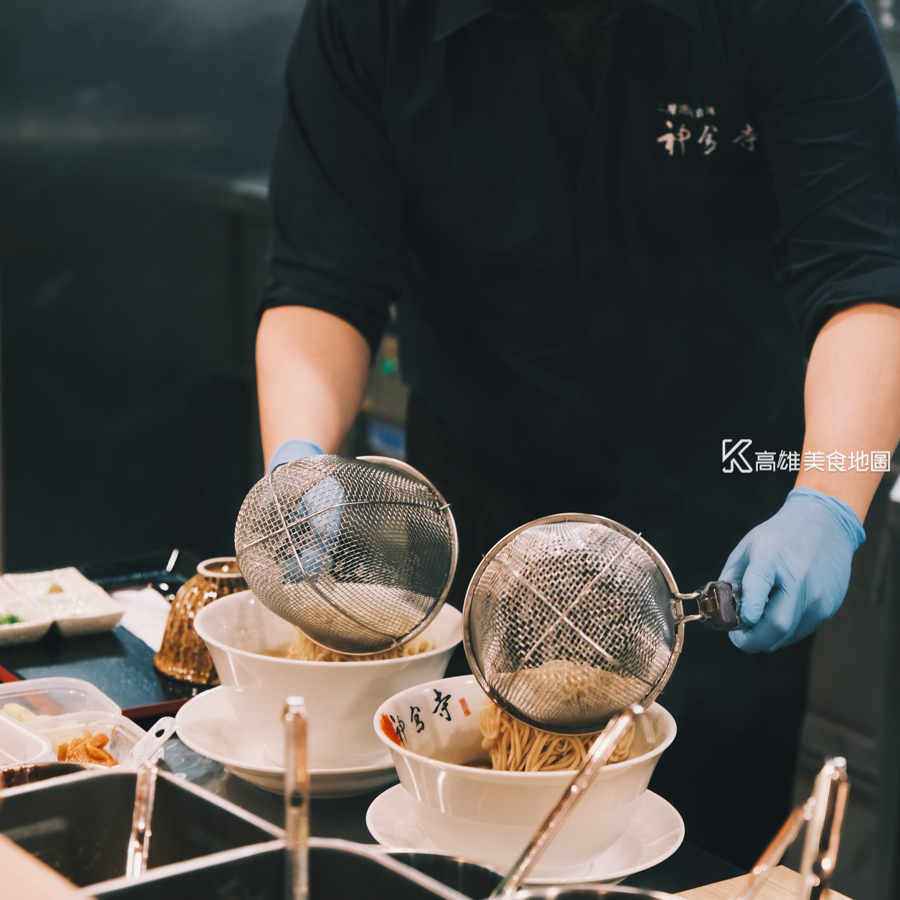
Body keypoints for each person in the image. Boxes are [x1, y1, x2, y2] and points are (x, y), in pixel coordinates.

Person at [255, 0, 900, 868]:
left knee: (695, 860)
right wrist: (298, 465)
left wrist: (828, 501)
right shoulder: (373, 17)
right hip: (478, 540)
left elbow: (867, 280)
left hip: (720, 563)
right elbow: (321, 281)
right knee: (459, 855)